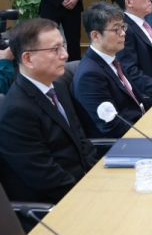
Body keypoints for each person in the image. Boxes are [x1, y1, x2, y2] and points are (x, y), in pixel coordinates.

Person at [0, 18, 97, 204]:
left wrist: (99, 178)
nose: (65, 55)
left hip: (84, 186)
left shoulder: (57, 88)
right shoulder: (17, 112)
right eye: (55, 50)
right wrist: (89, 196)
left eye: (63, 46)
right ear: (28, 59)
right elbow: (46, 178)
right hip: (55, 206)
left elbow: (81, 140)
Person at [72, 2, 147, 138]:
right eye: (116, 29)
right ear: (95, 36)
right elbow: (111, 127)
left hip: (141, 124)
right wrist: (150, 130)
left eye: (123, 27)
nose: (123, 33)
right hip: (123, 143)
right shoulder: (90, 76)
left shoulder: (112, 60)